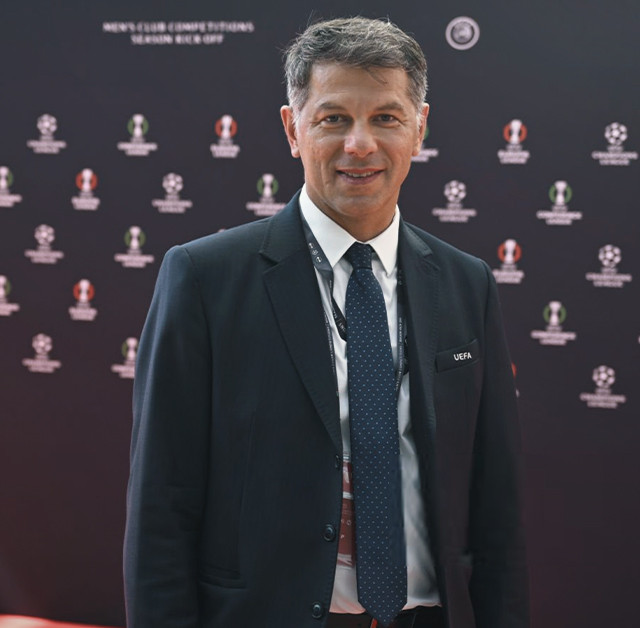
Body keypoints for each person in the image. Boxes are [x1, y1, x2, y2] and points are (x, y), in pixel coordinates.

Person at [124, 16, 528, 628]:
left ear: (420, 128)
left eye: (386, 117)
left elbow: (496, 502)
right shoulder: (204, 279)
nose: (360, 144)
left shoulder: (467, 283)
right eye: (334, 118)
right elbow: (162, 502)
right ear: (294, 129)